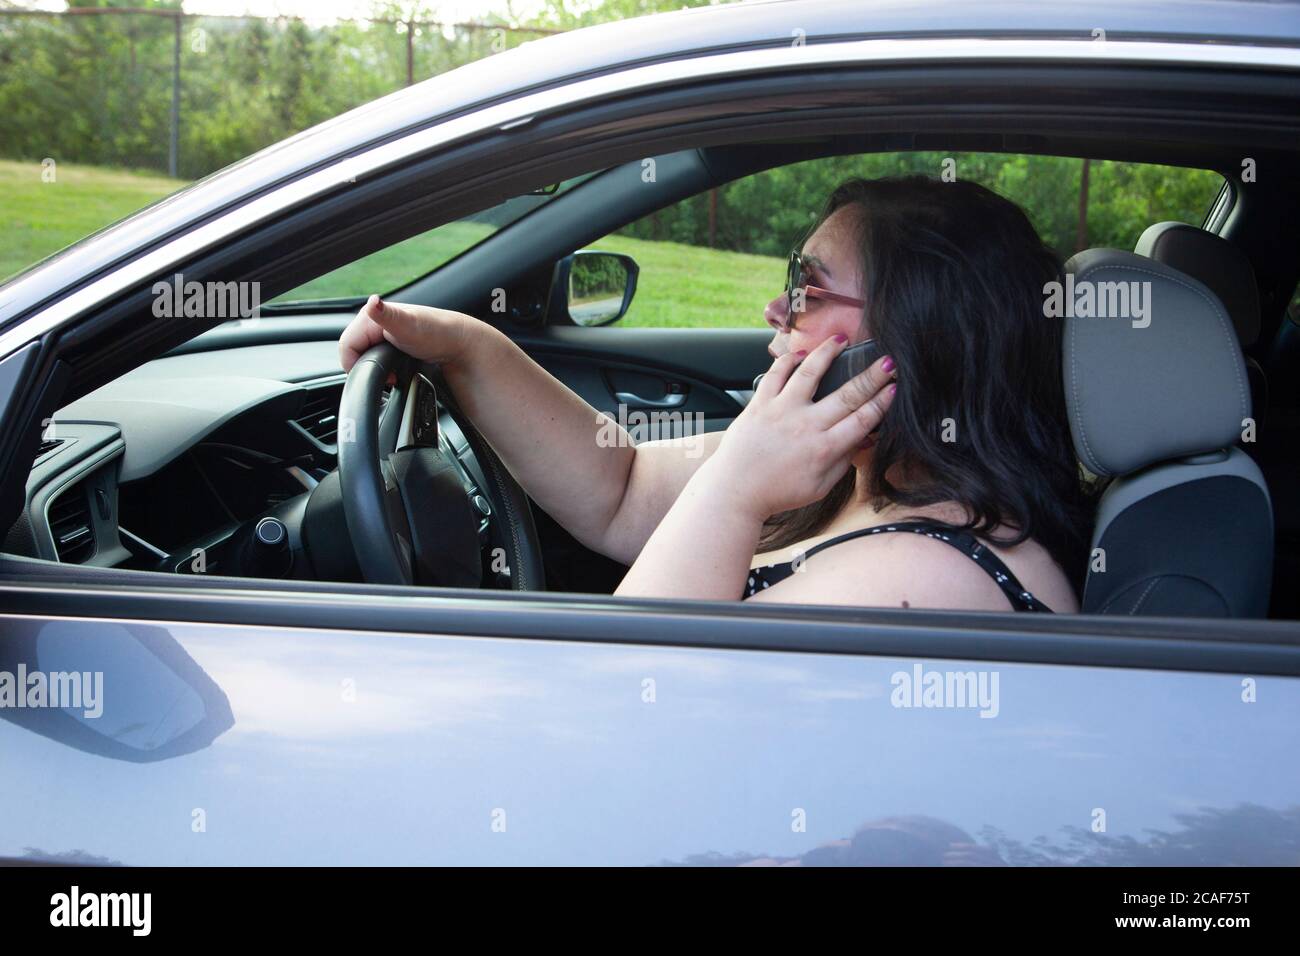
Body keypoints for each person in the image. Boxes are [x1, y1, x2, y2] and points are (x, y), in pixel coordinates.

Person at [339, 175, 1095, 612]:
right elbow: (622, 487)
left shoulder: (926, 575)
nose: (776, 310)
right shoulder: (862, 476)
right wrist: (470, 347)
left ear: (915, 340)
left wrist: (737, 491)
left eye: (808, 288)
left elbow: (632, 702)